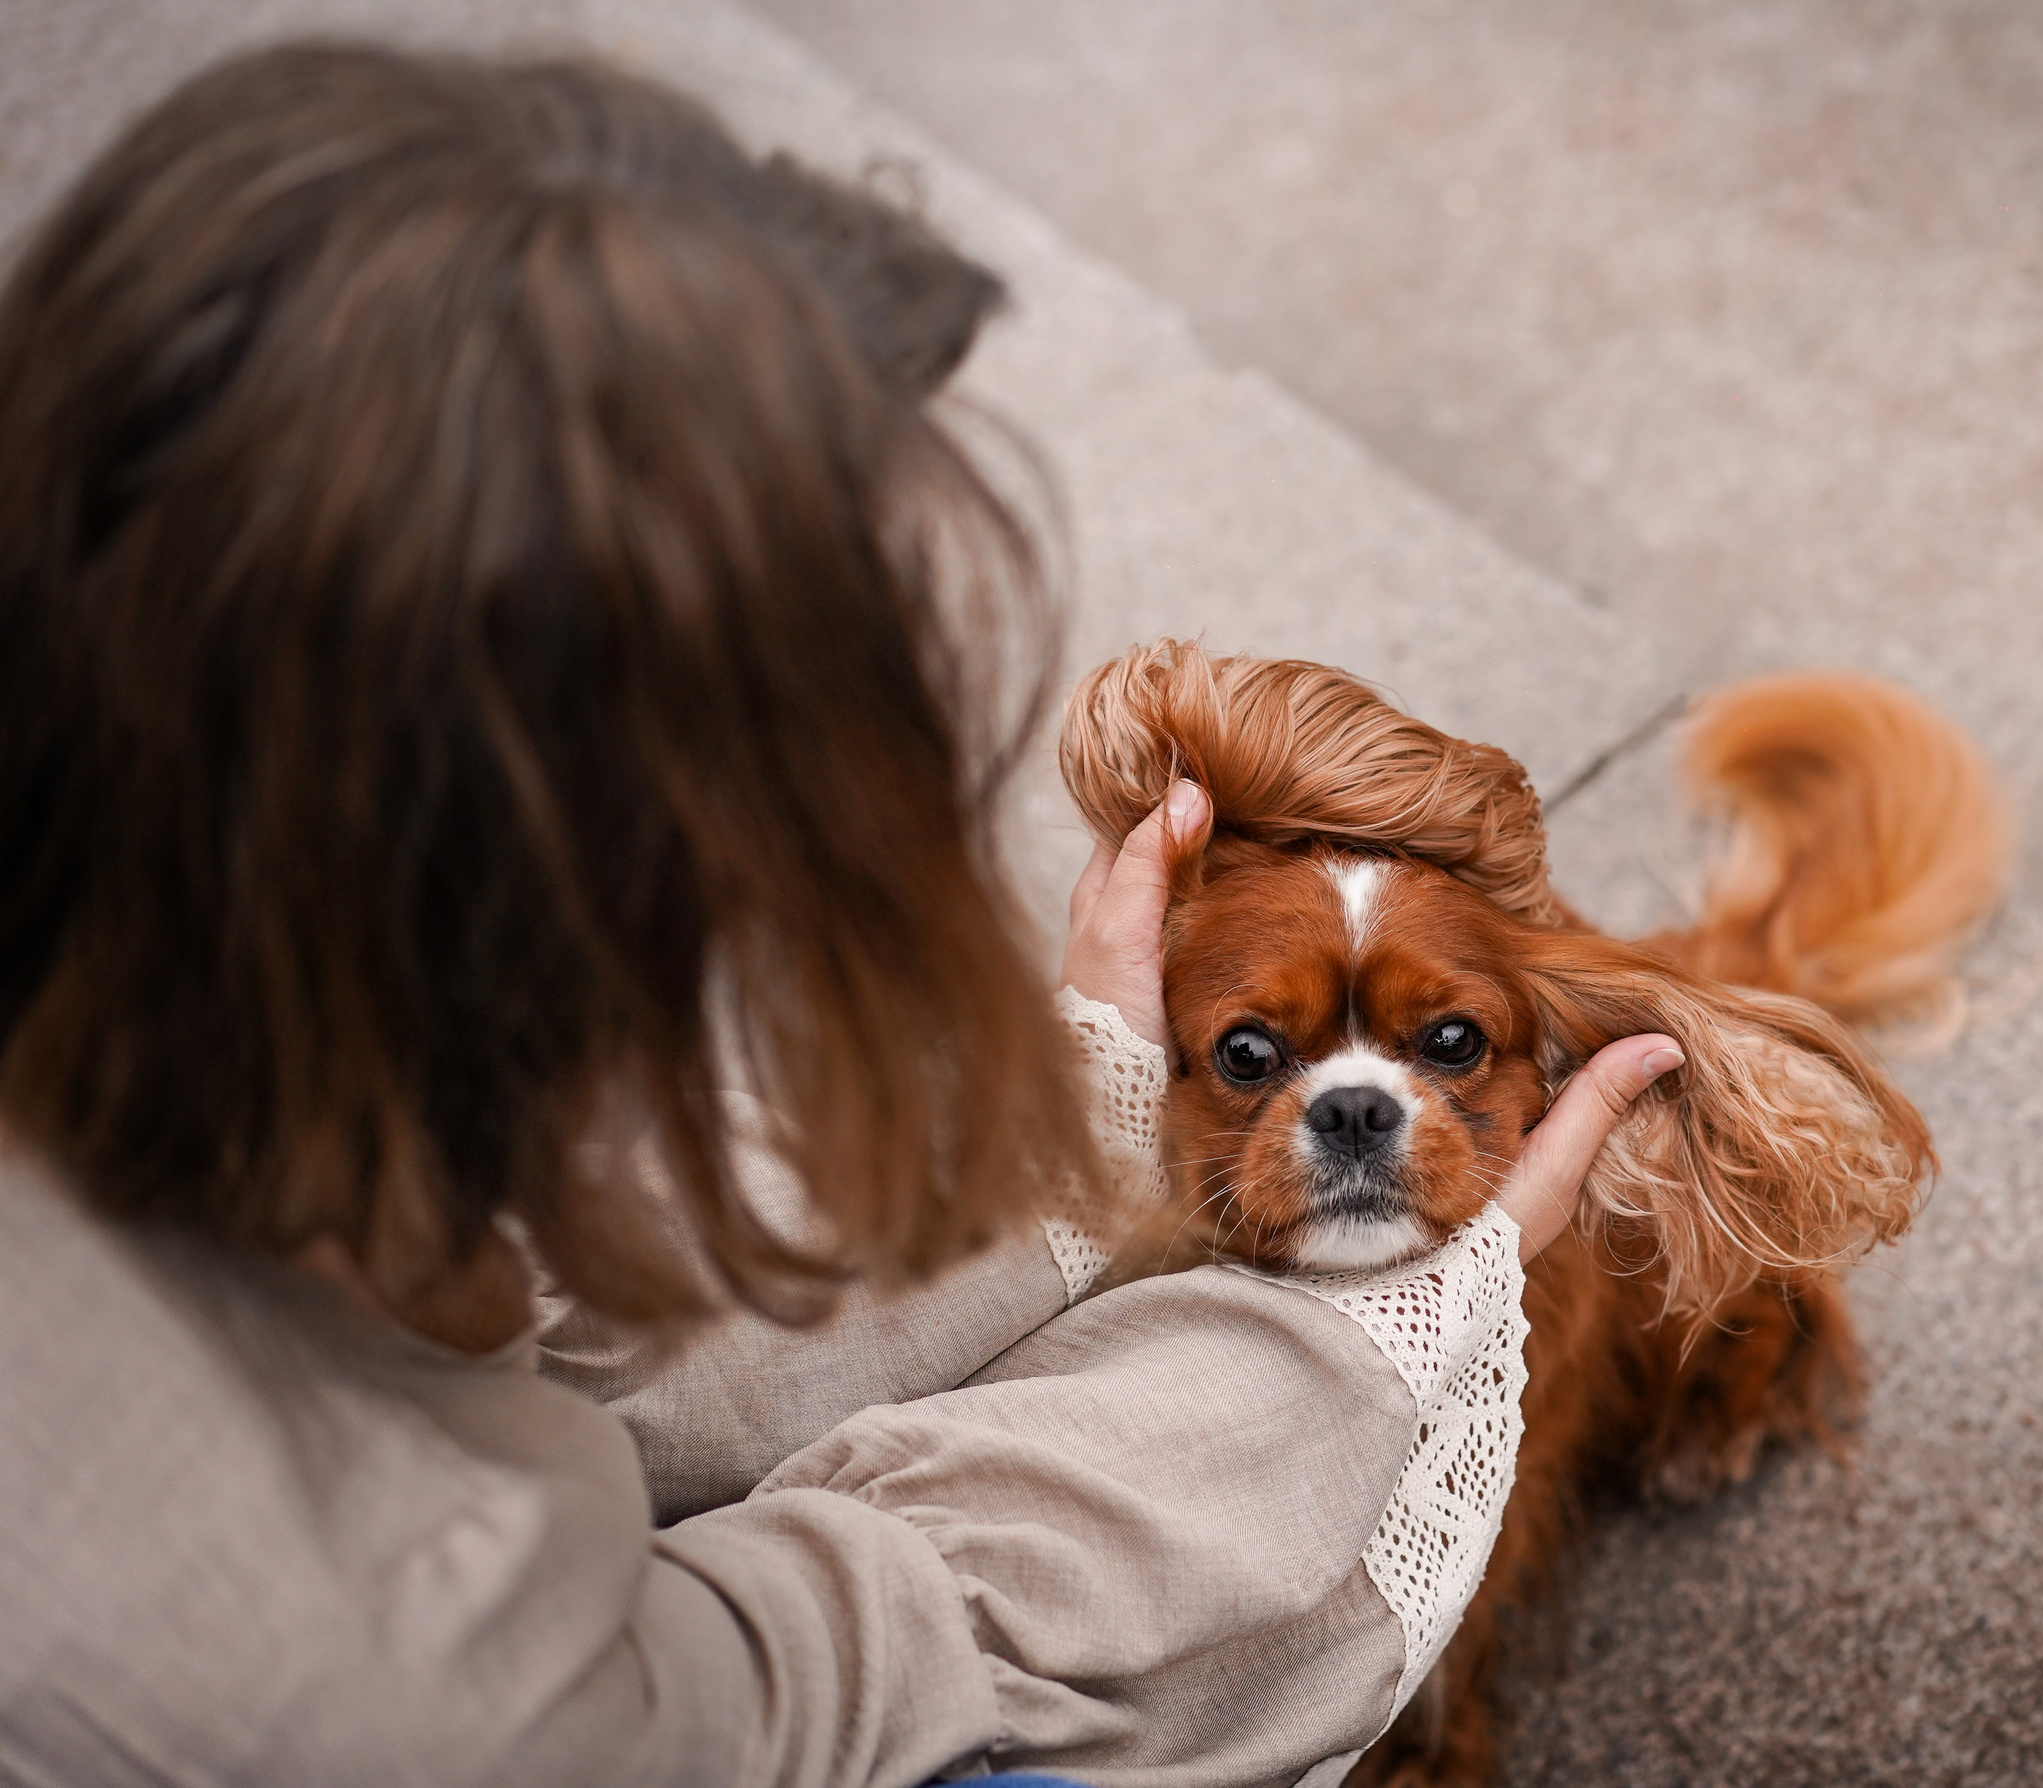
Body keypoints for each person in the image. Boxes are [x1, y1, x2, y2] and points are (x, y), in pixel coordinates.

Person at [0, 42, 1678, 1788]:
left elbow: (573, 1331)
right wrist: (1339, 1352)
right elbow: (826, 1677)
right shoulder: (362, 1666)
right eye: (826, 759)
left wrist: (1089, 1117)